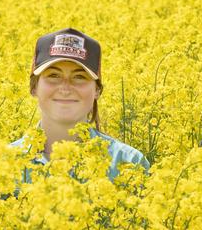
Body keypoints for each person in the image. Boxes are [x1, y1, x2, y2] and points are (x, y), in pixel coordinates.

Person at [11, 28, 150, 182]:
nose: (65, 88)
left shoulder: (129, 163)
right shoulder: (4, 163)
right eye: (53, 75)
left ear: (97, 90)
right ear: (34, 87)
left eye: (79, 77)